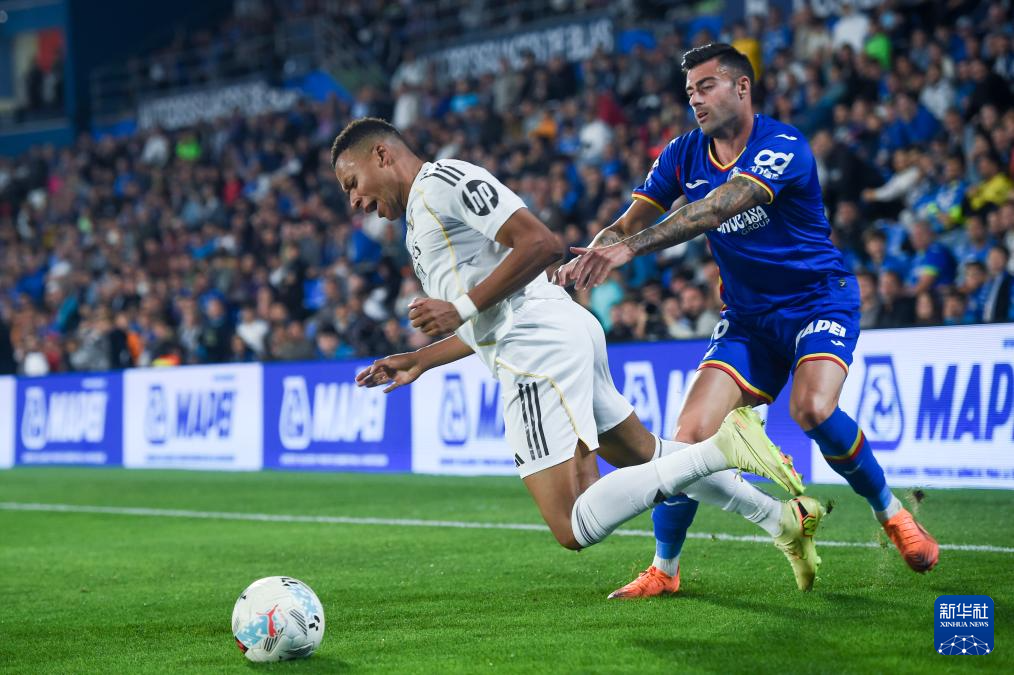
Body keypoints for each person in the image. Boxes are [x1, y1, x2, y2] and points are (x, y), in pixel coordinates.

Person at [330, 117, 821, 593]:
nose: (354, 200)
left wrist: (459, 307)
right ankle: (780, 519)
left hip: (535, 348)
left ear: (382, 154)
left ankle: (723, 448)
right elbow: (488, 318)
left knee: (570, 524)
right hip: (556, 328)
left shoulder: (440, 184)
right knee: (644, 454)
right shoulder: (423, 211)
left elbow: (542, 244)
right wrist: (421, 359)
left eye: (352, 183)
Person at [556, 43, 938, 598]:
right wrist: (593, 253)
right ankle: (665, 569)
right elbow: (627, 223)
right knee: (687, 440)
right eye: (690, 91)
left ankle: (892, 512)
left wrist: (629, 249)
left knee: (812, 408)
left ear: (742, 87)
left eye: (706, 86)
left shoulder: (783, 145)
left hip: (817, 302)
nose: (695, 100)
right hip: (747, 321)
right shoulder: (682, 153)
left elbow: (717, 207)